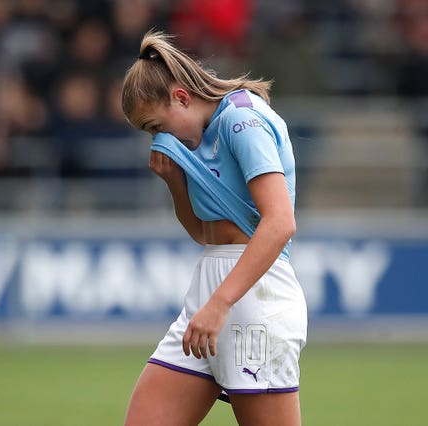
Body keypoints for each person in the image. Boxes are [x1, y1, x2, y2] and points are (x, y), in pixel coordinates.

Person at [121, 31, 307, 425]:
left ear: (182, 98)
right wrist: (175, 183)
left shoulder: (242, 120)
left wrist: (220, 304)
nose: (158, 140)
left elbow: (279, 223)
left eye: (156, 127)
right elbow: (206, 235)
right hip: (210, 291)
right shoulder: (199, 141)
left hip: (255, 297)